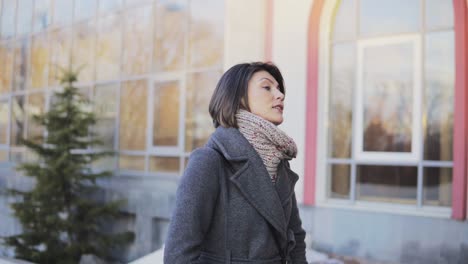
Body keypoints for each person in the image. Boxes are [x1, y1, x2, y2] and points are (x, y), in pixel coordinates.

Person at [164, 62, 307, 264]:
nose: (280, 95)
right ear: (238, 97)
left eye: (279, 89)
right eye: (267, 87)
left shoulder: (279, 163)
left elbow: (296, 238)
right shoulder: (209, 161)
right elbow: (178, 256)